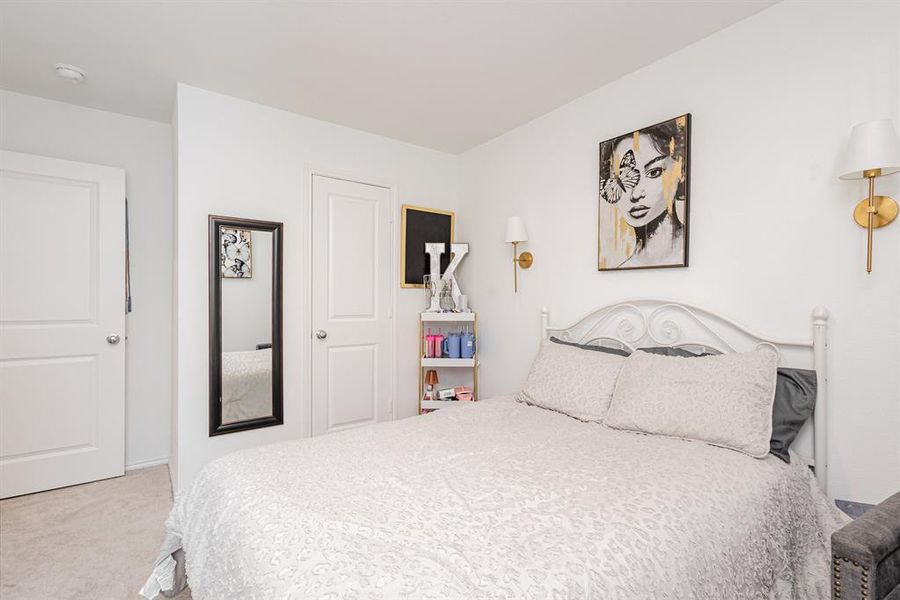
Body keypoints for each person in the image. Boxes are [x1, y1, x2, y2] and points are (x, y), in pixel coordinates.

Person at [599, 117, 687, 268]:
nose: (635, 194)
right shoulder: (623, 268)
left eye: (654, 172)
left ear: (681, 172)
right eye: (621, 179)